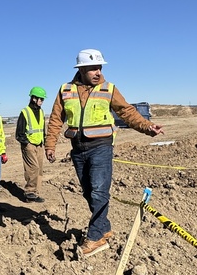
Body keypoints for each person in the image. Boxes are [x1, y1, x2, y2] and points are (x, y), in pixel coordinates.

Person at [45, 49, 163, 256]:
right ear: (81, 69)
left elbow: (126, 111)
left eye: (99, 67)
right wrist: (50, 145)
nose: (98, 72)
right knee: (89, 192)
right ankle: (104, 228)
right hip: (78, 149)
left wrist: (147, 127)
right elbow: (56, 118)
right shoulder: (65, 89)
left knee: (99, 191)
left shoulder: (108, 88)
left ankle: (96, 237)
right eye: (93, 68)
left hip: (101, 146)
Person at [15, 86, 47, 202]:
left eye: (43, 99)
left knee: (39, 170)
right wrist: (26, 143)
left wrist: (44, 141)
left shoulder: (41, 111)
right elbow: (19, 133)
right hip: (29, 144)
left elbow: (42, 129)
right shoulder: (25, 112)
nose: (42, 101)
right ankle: (29, 191)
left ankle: (35, 194)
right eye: (41, 99)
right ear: (34, 98)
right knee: (33, 167)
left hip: (39, 144)